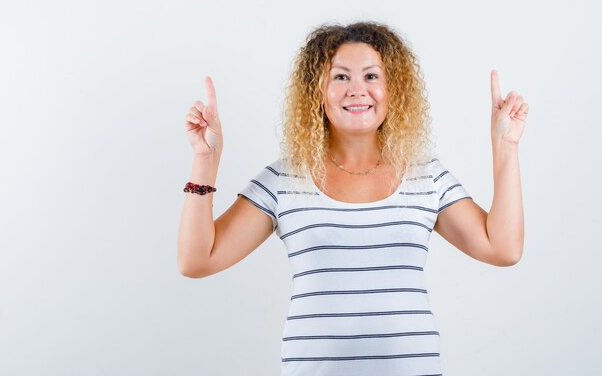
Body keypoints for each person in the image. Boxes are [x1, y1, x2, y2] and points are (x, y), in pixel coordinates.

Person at [177, 21, 528, 376]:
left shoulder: (427, 176)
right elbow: (197, 260)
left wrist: (506, 146)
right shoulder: (284, 179)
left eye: (372, 77)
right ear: (318, 92)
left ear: (393, 90)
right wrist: (205, 161)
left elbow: (502, 248)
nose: (357, 90)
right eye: (341, 77)